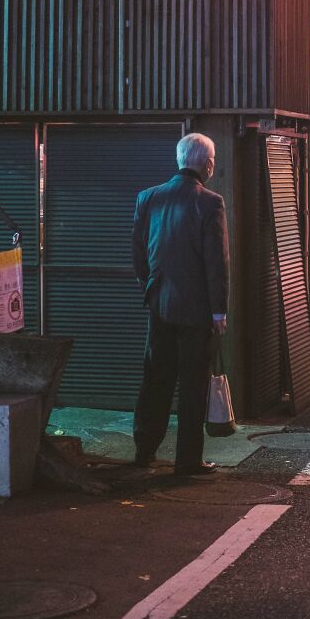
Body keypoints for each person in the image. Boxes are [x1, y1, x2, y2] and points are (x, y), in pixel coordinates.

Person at [132, 133, 230, 475]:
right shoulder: (210, 202)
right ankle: (187, 461)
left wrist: (152, 288)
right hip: (197, 310)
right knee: (192, 385)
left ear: (179, 159)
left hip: (160, 304)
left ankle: (144, 450)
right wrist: (219, 311)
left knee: (155, 378)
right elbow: (216, 263)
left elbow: (138, 254)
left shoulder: (149, 198)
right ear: (208, 163)